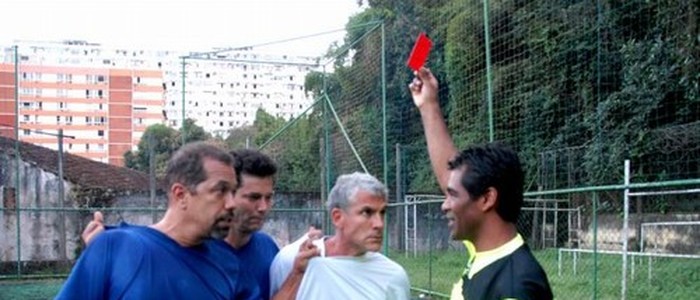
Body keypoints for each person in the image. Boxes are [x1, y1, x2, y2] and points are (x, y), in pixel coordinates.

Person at [409, 67, 553, 300]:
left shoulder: (515, 288)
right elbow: (451, 176)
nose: (444, 205)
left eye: (452, 195)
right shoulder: (487, 249)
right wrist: (428, 106)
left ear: (487, 199)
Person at [56, 142, 259, 299]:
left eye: (233, 192)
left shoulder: (230, 263)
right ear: (181, 194)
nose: (232, 203)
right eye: (221, 191)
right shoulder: (115, 248)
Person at [269, 172, 411, 300]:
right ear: (337, 217)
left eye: (382, 213)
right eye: (367, 212)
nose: (379, 224)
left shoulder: (392, 276)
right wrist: (296, 274)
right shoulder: (292, 260)